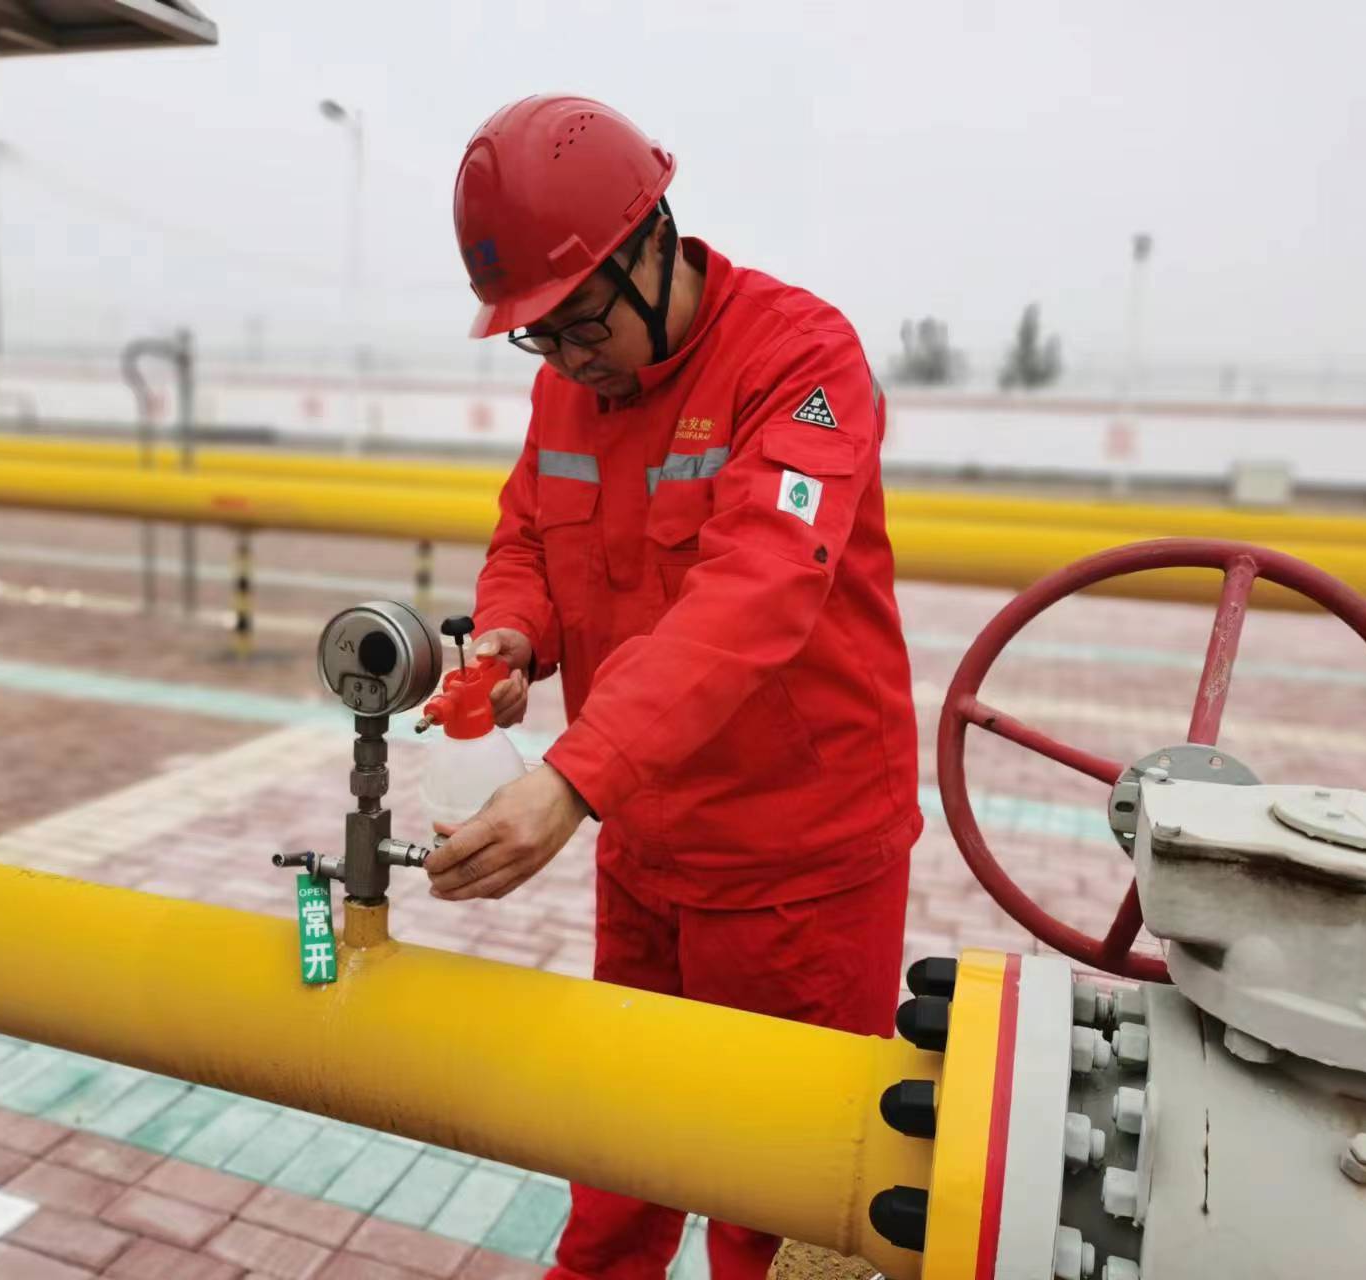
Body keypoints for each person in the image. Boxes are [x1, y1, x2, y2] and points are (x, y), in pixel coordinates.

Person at [426, 94, 921, 1280]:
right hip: (644, 843)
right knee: (620, 1149)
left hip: (792, 868)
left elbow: (758, 585)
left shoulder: (797, 358)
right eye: (535, 336)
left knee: (773, 1195)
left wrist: (570, 781)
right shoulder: (571, 383)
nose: (565, 357)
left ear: (652, 240)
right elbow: (527, 533)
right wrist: (509, 634)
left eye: (578, 321)